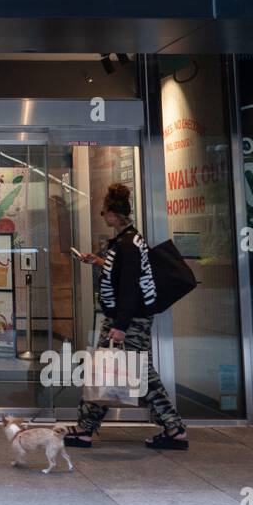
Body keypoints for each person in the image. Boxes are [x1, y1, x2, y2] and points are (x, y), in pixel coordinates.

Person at [64, 182, 188, 450]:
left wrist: (120, 326)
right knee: (132, 373)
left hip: (128, 320)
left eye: (103, 212)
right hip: (131, 319)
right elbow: (125, 275)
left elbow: (130, 287)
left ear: (113, 213)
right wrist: (98, 261)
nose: (102, 217)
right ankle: (173, 428)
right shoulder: (127, 240)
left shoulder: (129, 244)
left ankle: (86, 429)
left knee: (106, 371)